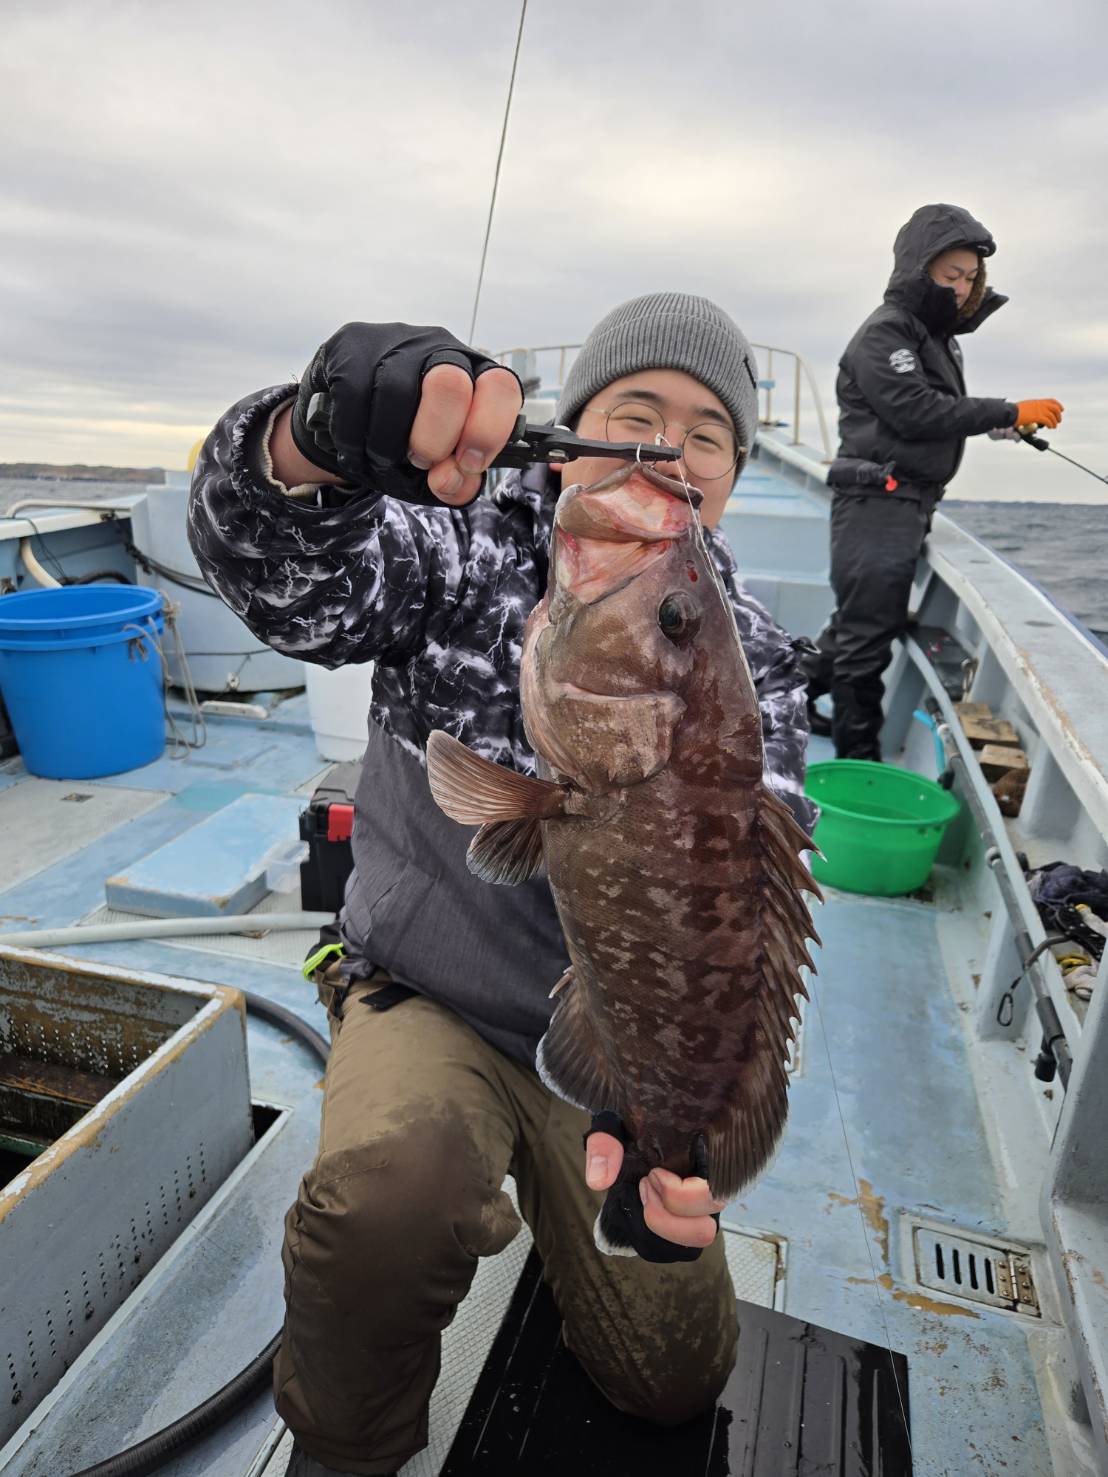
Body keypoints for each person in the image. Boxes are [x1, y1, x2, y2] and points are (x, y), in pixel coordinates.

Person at [188, 293, 817, 1477]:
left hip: (613, 1053)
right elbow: (291, 578)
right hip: (429, 992)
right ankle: (347, 1448)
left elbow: (749, 906)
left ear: (731, 478)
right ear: (565, 439)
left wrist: (664, 1140)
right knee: (388, 1198)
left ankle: (611, 1188)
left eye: (707, 435)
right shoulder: (459, 546)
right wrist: (306, 444)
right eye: (635, 412)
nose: (667, 448)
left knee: (674, 1378)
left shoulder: (758, 661)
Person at [803, 203, 1063, 759]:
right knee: (865, 641)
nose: (962, 288)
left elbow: (937, 411)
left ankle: (787, 701)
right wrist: (1006, 410)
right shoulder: (887, 332)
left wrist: (999, 427)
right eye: (950, 275)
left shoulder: (935, 337)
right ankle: (858, 761)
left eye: (970, 277)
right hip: (876, 502)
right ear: (919, 270)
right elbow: (915, 411)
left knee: (861, 623)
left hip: (906, 504)